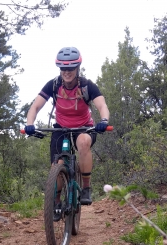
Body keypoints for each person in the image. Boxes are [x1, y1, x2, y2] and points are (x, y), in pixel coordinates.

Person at [24, 47, 110, 205]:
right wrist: (29, 124)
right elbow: (35, 107)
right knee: (58, 165)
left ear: (77, 67)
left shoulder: (86, 86)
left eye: (70, 68)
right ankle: (55, 201)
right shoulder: (54, 85)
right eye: (63, 68)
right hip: (60, 128)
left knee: (83, 142)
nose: (67, 71)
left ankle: (86, 188)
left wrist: (104, 121)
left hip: (84, 127)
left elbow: (102, 105)